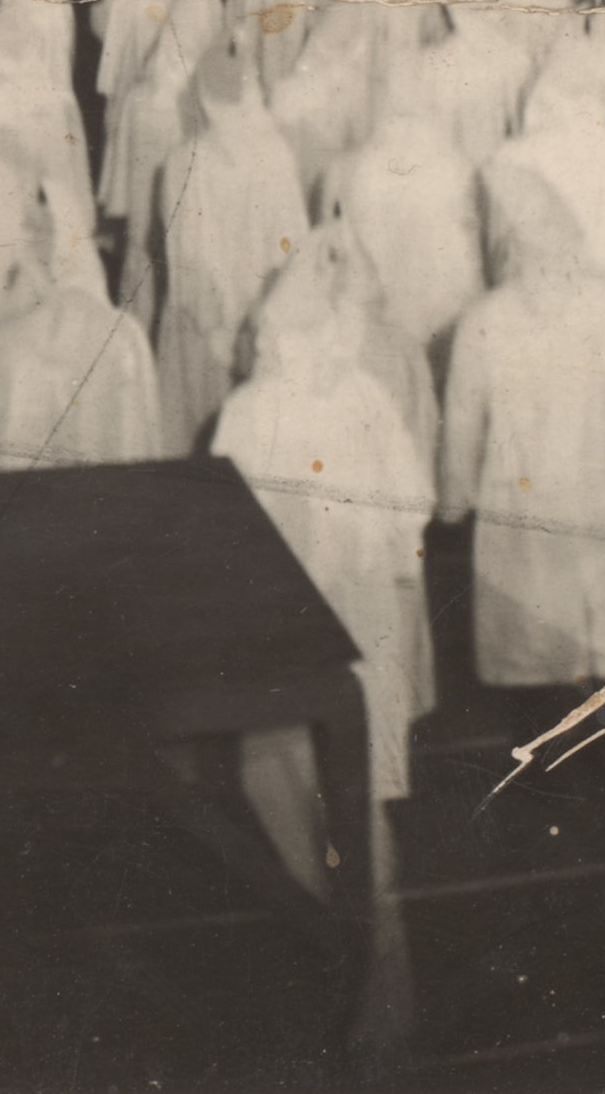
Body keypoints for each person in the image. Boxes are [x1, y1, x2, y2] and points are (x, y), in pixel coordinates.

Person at [211, 248, 432, 879]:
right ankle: (362, 888)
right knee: (353, 756)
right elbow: (412, 502)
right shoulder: (364, 394)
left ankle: (321, 887)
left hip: (288, 603)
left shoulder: (250, 408)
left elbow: (230, 523)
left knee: (284, 757)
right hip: (357, 597)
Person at [444, 137, 605, 698]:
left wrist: (454, 503)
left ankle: (546, 759)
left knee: (537, 645)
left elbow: (461, 429)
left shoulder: (483, 322)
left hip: (525, 503)